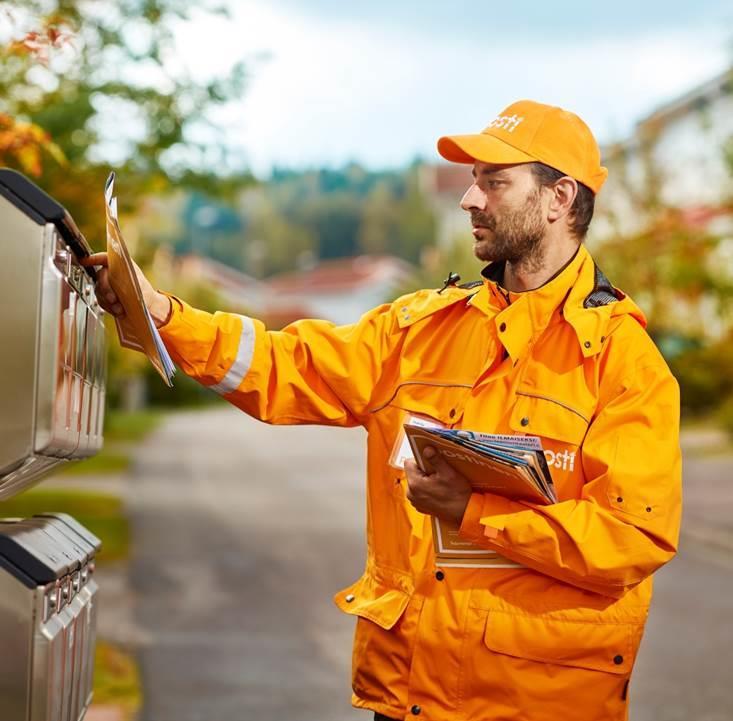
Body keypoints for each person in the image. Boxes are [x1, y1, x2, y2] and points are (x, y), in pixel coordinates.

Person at [84, 99, 682, 721]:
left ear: (559, 198)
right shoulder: (419, 330)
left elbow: (630, 539)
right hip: (407, 698)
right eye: (474, 181)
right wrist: (162, 315)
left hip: (539, 705)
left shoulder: (624, 364)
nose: (469, 200)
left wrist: (475, 513)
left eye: (494, 182)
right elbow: (289, 365)